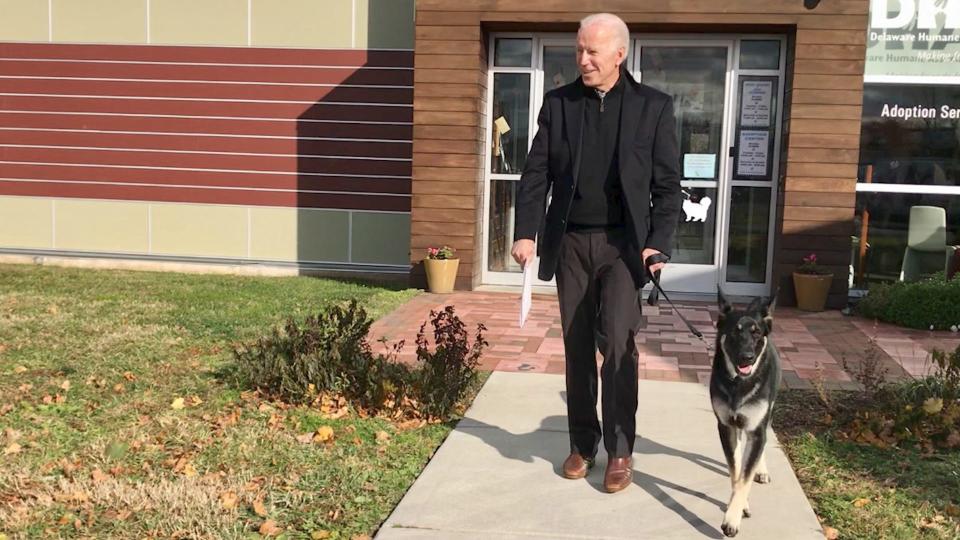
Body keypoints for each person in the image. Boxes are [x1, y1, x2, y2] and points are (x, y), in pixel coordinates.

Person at [511, 12, 681, 493]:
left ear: (620, 55)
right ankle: (583, 443)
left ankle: (621, 450)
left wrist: (658, 242)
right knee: (577, 347)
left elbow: (668, 187)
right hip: (571, 244)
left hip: (624, 247)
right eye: (579, 50)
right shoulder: (560, 105)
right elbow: (535, 175)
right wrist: (527, 233)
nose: (583, 60)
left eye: (593, 52)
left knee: (620, 347)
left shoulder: (654, 108)